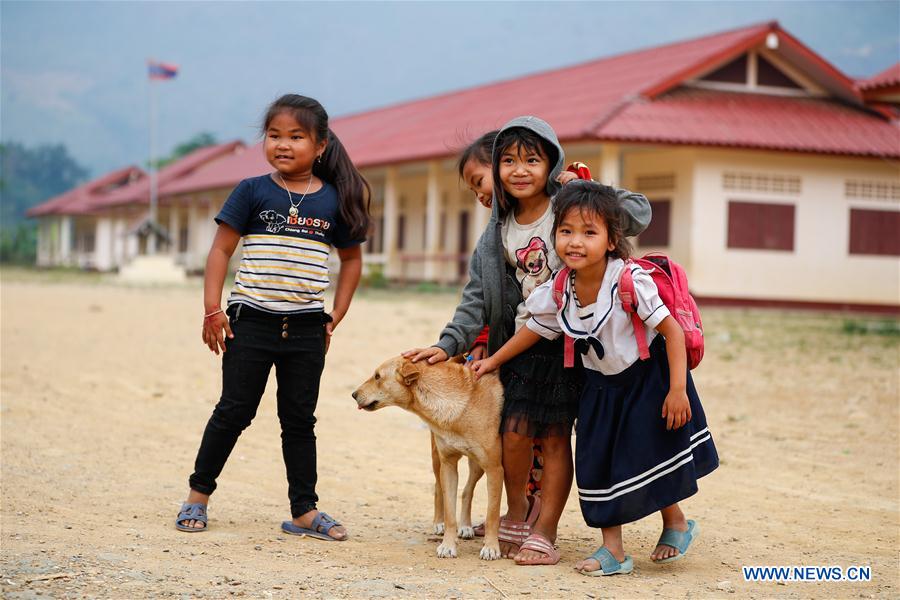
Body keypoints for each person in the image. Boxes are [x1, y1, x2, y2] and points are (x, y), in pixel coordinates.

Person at [405, 116, 651, 565]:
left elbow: (638, 214)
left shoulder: (569, 206)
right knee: (513, 436)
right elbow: (476, 298)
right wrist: (448, 343)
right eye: (509, 161)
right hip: (521, 345)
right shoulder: (495, 233)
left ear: (550, 163)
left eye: (533, 160)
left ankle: (545, 532)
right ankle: (516, 517)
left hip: (572, 345)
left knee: (556, 439)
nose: (520, 170)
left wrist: (580, 185)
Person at [472, 181, 718, 575]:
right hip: (600, 388)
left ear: (611, 240)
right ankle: (614, 552)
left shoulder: (629, 281)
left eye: (589, 233)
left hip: (645, 380)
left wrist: (676, 390)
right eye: (566, 231)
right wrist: (493, 361)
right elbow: (534, 329)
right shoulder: (559, 289)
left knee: (649, 456)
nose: (575, 242)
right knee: (599, 464)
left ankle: (675, 521)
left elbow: (671, 332)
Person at [175, 94, 370, 541]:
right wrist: (212, 308)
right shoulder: (252, 191)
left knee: (299, 420)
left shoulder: (335, 200)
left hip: (306, 330)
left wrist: (334, 316)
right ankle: (197, 497)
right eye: (274, 135)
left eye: (296, 136)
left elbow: (352, 261)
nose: (283, 144)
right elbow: (221, 249)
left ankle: (304, 511)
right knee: (233, 411)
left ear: (320, 145)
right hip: (251, 323)